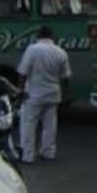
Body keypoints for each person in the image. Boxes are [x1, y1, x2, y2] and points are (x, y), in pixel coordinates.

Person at [17, 25, 72, 164]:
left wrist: (20, 91)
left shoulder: (32, 50)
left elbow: (23, 73)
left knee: (29, 124)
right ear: (52, 36)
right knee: (50, 124)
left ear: (38, 36)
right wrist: (66, 95)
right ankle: (48, 152)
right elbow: (65, 77)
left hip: (34, 94)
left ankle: (28, 155)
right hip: (54, 93)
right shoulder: (61, 52)